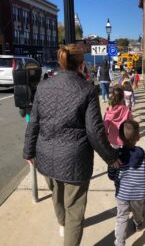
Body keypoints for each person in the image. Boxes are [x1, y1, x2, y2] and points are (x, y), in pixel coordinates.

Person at [23, 44, 121, 246]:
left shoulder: (43, 87)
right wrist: (111, 158)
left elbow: (34, 122)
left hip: (46, 156)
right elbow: (95, 131)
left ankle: (62, 224)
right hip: (74, 159)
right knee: (74, 210)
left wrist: (28, 152)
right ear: (82, 64)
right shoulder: (87, 90)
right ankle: (67, 229)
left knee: (56, 196)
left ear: (61, 61)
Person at [108, 120, 145, 246]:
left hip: (122, 194)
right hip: (139, 193)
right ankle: (138, 223)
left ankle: (120, 242)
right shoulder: (143, 155)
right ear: (138, 137)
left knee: (121, 218)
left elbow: (111, 175)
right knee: (138, 212)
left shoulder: (116, 156)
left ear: (119, 137)